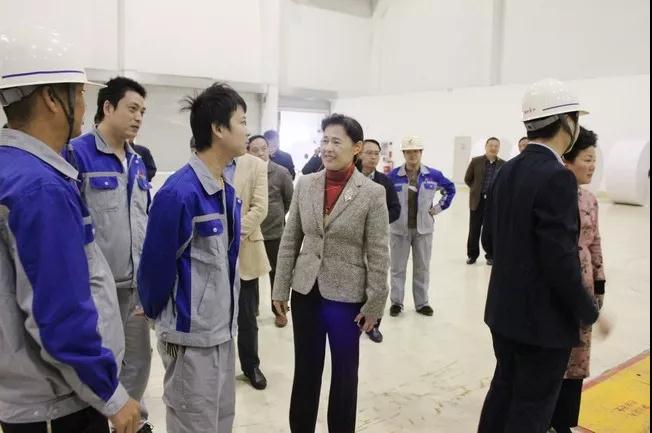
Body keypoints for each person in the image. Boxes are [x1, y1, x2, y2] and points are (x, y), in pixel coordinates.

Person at [0, 27, 140, 433]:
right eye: (78, 93)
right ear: (51, 98)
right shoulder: (39, 186)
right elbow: (59, 315)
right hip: (56, 406)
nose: (83, 105)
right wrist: (111, 396)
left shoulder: (16, 169)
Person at [477, 79, 605, 433]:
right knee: (531, 410)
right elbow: (559, 260)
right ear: (566, 122)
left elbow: (490, 240)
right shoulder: (557, 177)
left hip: (504, 314)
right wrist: (588, 310)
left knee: (502, 394)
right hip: (542, 326)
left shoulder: (507, 170)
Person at [138, 83, 248, 433]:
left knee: (219, 423)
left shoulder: (225, 188)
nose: (247, 130)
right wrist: (160, 316)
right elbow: (155, 268)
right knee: (193, 425)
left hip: (221, 333)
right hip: (190, 340)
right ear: (218, 129)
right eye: (242, 121)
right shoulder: (180, 193)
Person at [272, 114, 389, 433]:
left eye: (336, 141)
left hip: (347, 299)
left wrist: (375, 304)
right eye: (324, 140)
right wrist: (280, 288)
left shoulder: (371, 193)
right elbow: (290, 239)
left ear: (356, 147)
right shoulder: (306, 184)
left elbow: (379, 253)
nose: (328, 147)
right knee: (306, 372)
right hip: (306, 292)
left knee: (345, 375)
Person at [71, 76, 153, 433]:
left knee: (138, 360)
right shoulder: (77, 154)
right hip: (96, 290)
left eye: (143, 112)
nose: (138, 117)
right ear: (107, 107)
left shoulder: (137, 161)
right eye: (132, 109)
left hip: (135, 288)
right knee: (100, 363)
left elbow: (143, 217)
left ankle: (133, 423)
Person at [550, 127, 606, 433]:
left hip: (583, 284)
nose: (592, 166)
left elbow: (595, 241)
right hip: (558, 287)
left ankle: (564, 422)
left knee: (578, 356)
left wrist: (599, 283)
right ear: (567, 160)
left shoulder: (590, 199)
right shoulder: (553, 198)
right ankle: (545, 419)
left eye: (594, 159)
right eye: (587, 159)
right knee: (555, 355)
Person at [387, 136, 456, 317]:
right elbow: (382, 198)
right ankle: (396, 303)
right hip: (399, 230)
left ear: (421, 153)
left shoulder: (433, 175)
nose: (413, 155)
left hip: (423, 230)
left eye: (416, 151)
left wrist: (439, 207)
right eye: (409, 152)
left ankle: (422, 303)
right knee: (397, 268)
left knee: (422, 268)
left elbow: (450, 189)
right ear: (404, 153)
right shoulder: (392, 177)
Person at [233, 148, 271, 390]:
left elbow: (259, 208)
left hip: (245, 248)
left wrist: (230, 233)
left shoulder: (255, 165)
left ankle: (251, 366)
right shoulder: (206, 158)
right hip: (209, 253)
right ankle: (218, 368)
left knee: (247, 317)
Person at [357, 138, 401, 343]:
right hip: (353, 239)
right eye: (369, 153)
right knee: (357, 281)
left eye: (376, 153)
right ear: (359, 154)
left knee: (378, 282)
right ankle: (355, 319)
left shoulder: (385, 181)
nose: (373, 157)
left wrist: (377, 222)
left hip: (376, 240)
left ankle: (373, 324)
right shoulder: (350, 177)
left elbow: (395, 209)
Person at [248, 135, 294, 328]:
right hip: (251, 233)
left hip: (274, 233)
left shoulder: (281, 173)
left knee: (277, 274)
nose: (260, 153)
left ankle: (280, 311)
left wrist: (277, 216)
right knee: (250, 273)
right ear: (248, 152)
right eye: (255, 150)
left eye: (263, 148)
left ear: (269, 150)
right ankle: (252, 310)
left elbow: (289, 200)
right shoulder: (244, 172)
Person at [464, 137, 505, 266]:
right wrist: (476, 190)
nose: (493, 148)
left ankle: (490, 255)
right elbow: (468, 179)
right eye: (491, 145)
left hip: (493, 202)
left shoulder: (503, 164)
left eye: (496, 146)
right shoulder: (476, 161)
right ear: (486, 147)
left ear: (499, 148)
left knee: (490, 230)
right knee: (474, 229)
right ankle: (472, 255)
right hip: (478, 200)